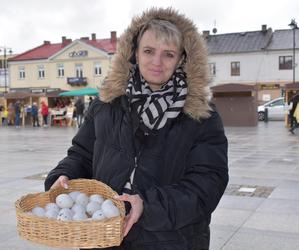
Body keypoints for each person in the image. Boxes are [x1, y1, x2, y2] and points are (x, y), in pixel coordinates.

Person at [44, 8, 228, 250]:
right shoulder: (106, 104)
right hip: (105, 237)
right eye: (149, 51)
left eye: (168, 54)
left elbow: (208, 183)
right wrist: (64, 175)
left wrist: (147, 205)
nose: (157, 62)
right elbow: (81, 154)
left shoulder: (201, 115)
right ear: (134, 53)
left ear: (182, 59)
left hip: (171, 240)